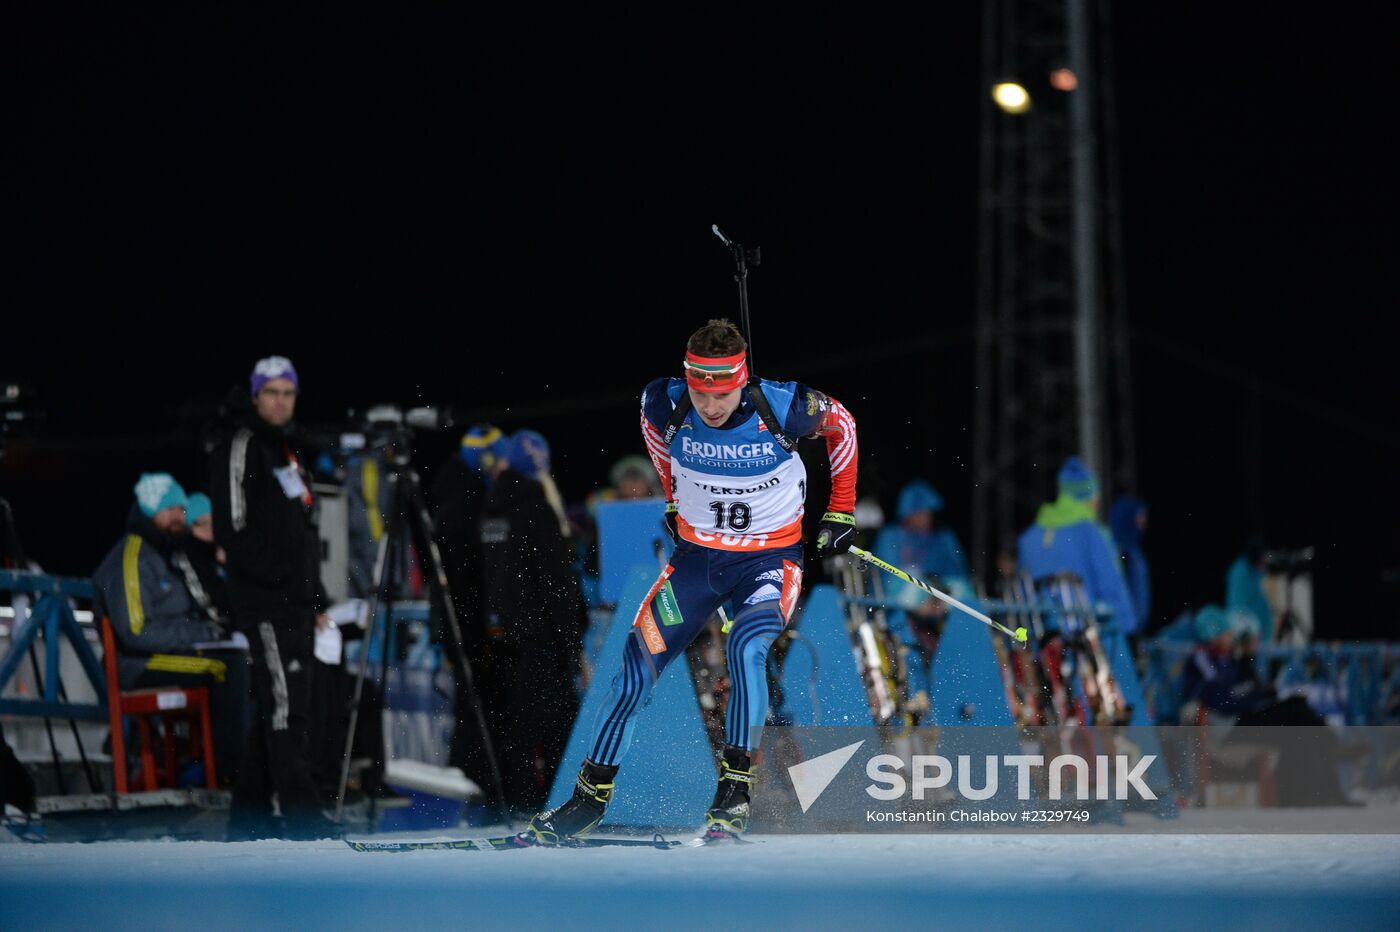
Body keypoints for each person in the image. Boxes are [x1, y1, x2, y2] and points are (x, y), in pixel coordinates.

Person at [525, 318, 859, 844]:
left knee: (747, 649)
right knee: (635, 669)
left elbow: (843, 427)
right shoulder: (664, 401)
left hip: (768, 564)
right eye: (702, 392)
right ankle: (589, 799)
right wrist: (673, 496)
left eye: (722, 393)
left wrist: (840, 512)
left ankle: (734, 792)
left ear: (740, 380)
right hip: (697, 565)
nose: (710, 406)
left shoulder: (783, 405)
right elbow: (655, 437)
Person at [209, 356, 335, 839]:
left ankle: (250, 815)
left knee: (277, 706)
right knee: (285, 706)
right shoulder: (240, 445)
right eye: (272, 392)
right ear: (256, 395)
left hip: (295, 602)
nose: (280, 402)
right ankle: (302, 813)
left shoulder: (288, 452)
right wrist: (281, 579)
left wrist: (315, 598)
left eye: (288, 393)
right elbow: (233, 529)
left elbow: (300, 535)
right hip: (264, 601)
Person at [91, 473, 248, 787]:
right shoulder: (133, 554)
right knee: (225, 667)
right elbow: (135, 630)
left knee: (241, 660)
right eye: (172, 509)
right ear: (152, 511)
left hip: (167, 655)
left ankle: (236, 767)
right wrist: (200, 634)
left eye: (181, 509)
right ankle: (232, 775)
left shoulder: (167, 554)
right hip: (138, 664)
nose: (180, 515)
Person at [478, 430, 589, 815]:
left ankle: (518, 799)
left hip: (506, 636)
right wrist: (573, 643)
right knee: (559, 726)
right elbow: (555, 584)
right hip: (542, 637)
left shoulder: (493, 507)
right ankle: (556, 804)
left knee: (519, 724)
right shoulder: (535, 507)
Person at [871, 481, 974, 715]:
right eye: (919, 512)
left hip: (941, 611)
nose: (924, 517)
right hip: (902, 614)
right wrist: (921, 599)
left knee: (964, 601)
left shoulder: (943, 538)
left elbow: (958, 576)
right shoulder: (891, 537)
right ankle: (913, 690)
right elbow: (890, 582)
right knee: (903, 608)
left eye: (928, 512)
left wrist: (942, 597)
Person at [1017, 457, 1135, 637]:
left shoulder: (1027, 537)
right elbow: (1111, 587)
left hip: (1042, 645)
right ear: (1091, 497)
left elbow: (1022, 596)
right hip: (1087, 644)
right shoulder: (1092, 533)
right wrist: (1128, 630)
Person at [1109, 495, 1151, 638]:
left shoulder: (1134, 551)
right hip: (1123, 632)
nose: (1143, 522)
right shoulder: (1120, 552)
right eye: (1140, 516)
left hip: (1134, 629)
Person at [1226, 539, 1275, 644]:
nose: (1264, 563)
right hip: (1251, 636)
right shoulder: (1241, 573)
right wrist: (1250, 632)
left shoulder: (1258, 573)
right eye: (1262, 559)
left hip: (1263, 634)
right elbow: (1238, 610)